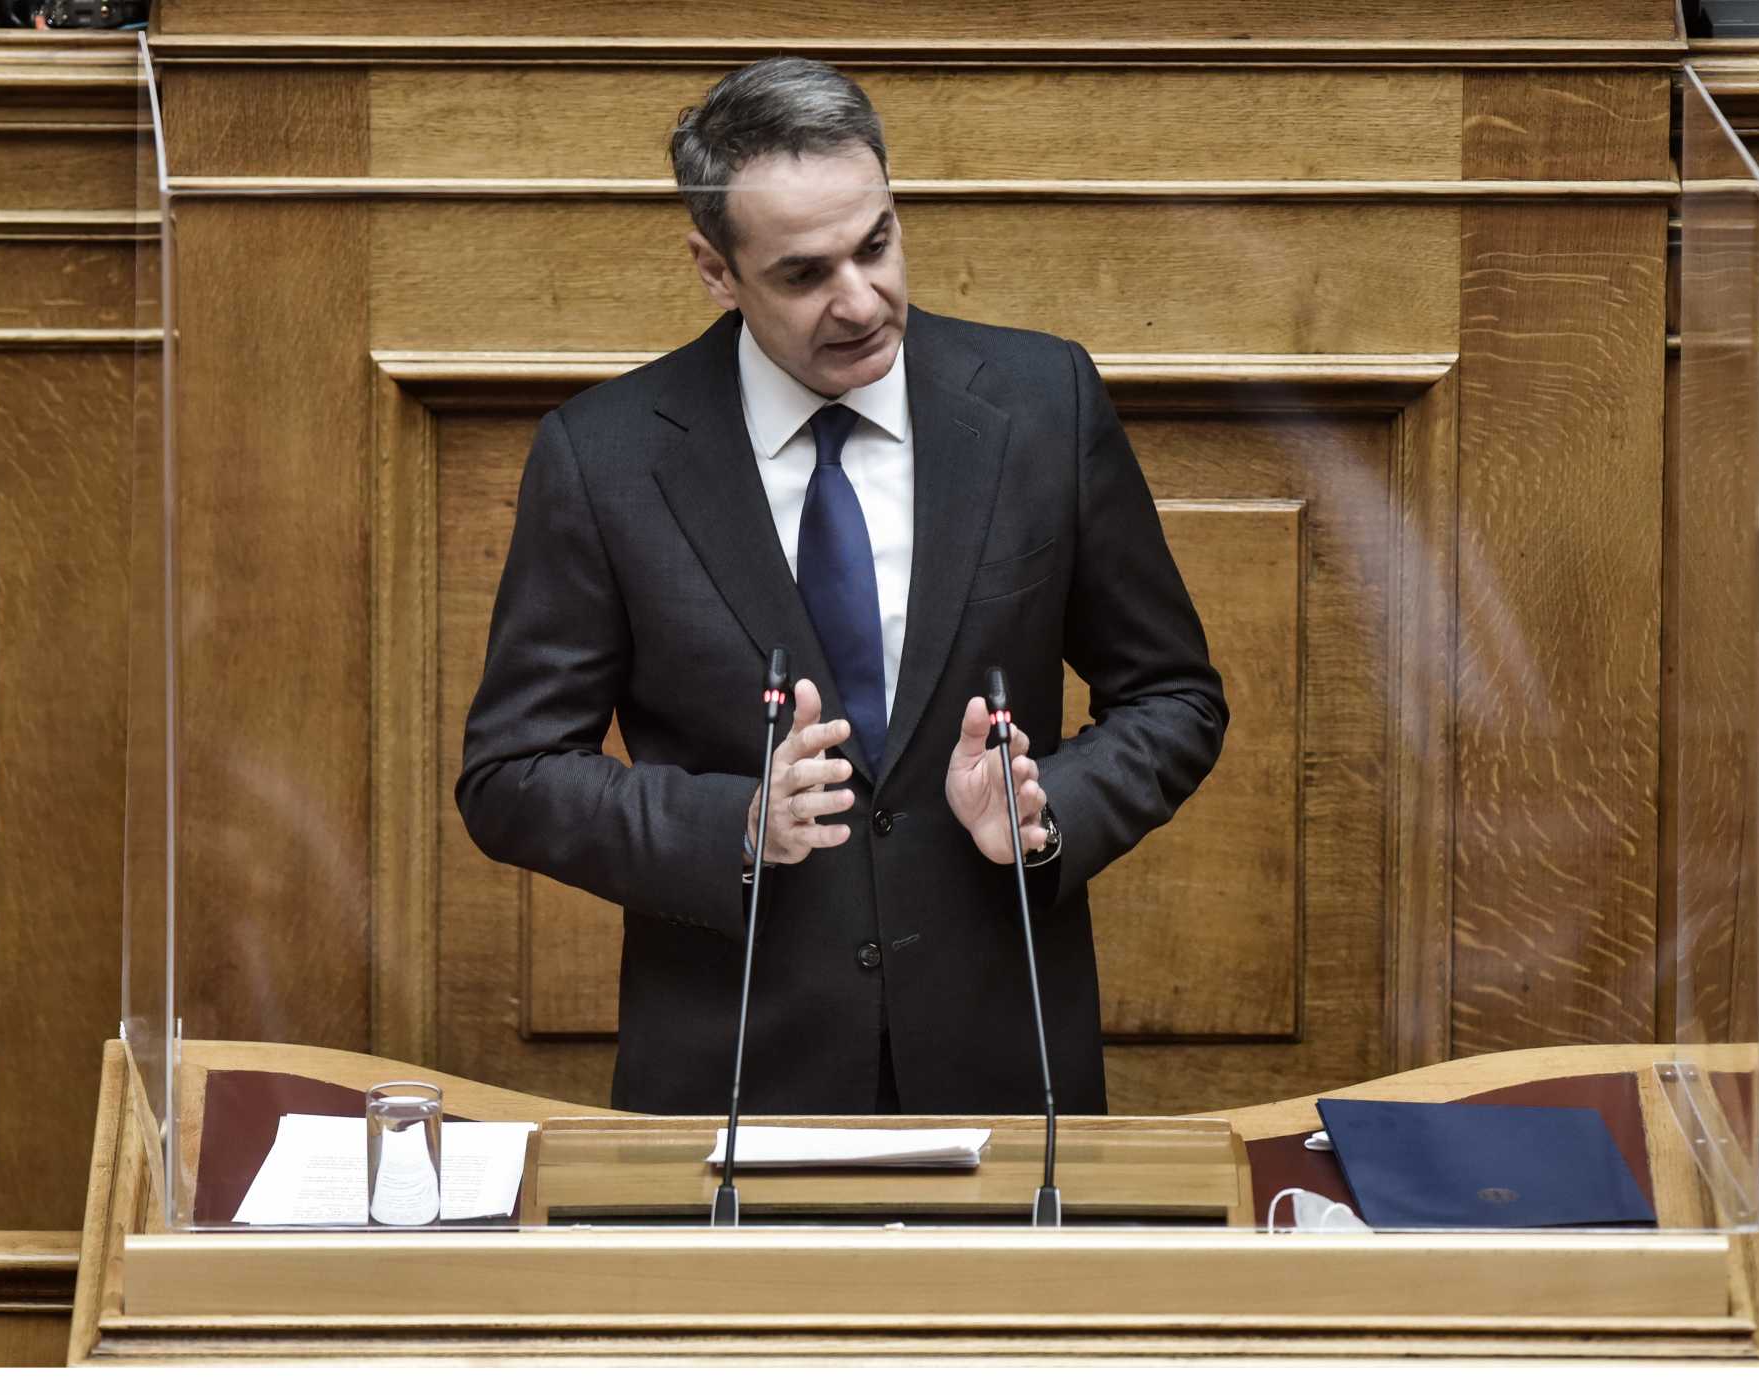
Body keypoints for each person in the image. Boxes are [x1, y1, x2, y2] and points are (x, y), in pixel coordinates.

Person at [458, 57, 1226, 1116]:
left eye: (875, 245)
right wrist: (737, 823)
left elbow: (1174, 696)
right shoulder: (605, 458)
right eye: (803, 274)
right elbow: (511, 776)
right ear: (716, 270)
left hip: (1001, 1071)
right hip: (732, 1082)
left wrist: (1046, 812)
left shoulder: (1043, 404)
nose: (860, 301)